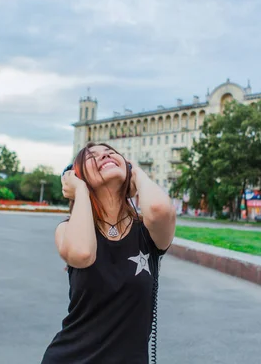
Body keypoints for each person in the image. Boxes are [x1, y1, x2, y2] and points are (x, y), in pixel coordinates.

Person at [41, 142, 177, 364]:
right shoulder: (67, 229)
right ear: (76, 177)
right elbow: (82, 253)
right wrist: (81, 191)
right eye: (92, 157)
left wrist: (137, 172)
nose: (105, 155)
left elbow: (160, 209)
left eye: (111, 153)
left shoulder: (148, 232)